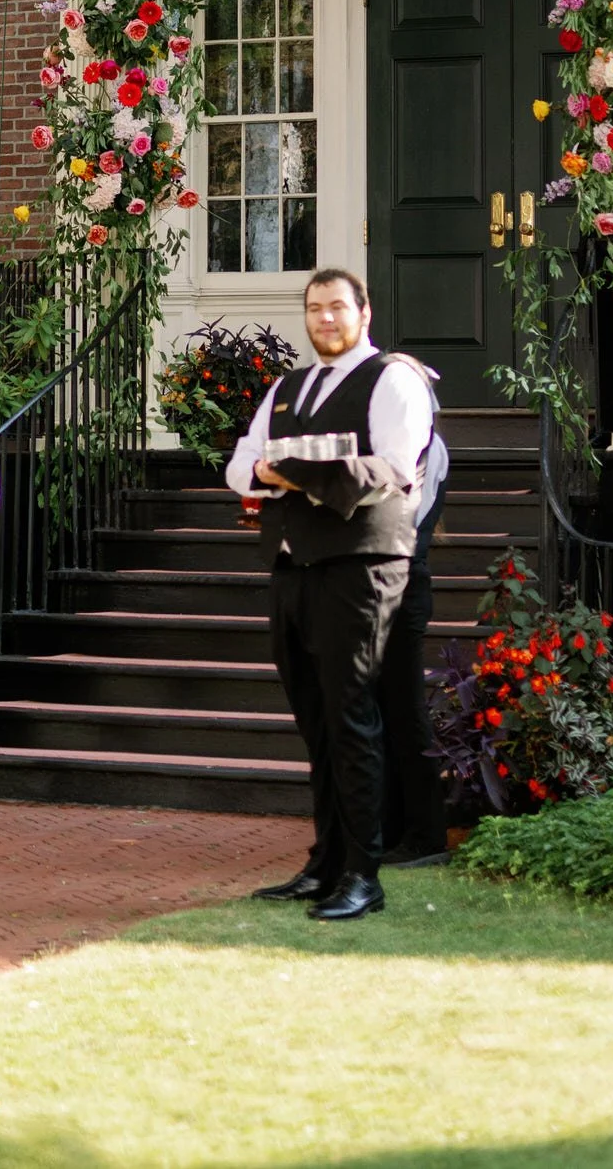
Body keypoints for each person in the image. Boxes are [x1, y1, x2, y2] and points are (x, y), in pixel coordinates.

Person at [226, 267, 435, 922]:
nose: (325, 318)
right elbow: (240, 466)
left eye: (337, 307)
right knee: (315, 719)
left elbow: (395, 467)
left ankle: (362, 875)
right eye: (315, 308)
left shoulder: (393, 379)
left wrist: (294, 473)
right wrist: (285, 472)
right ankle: (325, 863)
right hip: (293, 566)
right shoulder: (289, 387)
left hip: (362, 565)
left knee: (351, 715)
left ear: (363, 313)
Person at [379, 417, 450, 867]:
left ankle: (427, 835)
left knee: (406, 711)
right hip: (381, 585)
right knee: (384, 711)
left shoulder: (427, 447)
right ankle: (393, 828)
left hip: (403, 586)